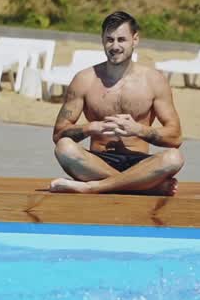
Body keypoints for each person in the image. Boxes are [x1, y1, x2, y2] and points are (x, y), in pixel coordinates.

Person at [48, 11, 184, 195]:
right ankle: (144, 186)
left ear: (135, 40)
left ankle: (94, 187)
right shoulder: (84, 79)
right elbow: (59, 134)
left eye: (122, 39)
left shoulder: (153, 80)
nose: (115, 46)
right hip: (97, 162)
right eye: (109, 39)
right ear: (102, 40)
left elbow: (175, 137)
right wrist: (92, 128)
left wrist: (138, 130)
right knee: (64, 148)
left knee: (174, 158)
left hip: (140, 161)